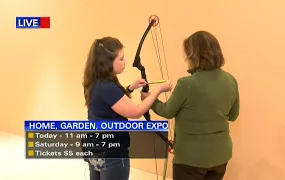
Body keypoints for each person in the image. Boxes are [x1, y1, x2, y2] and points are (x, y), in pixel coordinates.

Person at [141, 31, 240, 180]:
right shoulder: (231, 80)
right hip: (221, 155)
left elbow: (167, 111)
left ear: (193, 55)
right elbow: (233, 115)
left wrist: (150, 100)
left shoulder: (186, 84)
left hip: (190, 159)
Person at [82, 36, 172, 180]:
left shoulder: (95, 82)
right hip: (112, 153)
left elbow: (109, 102)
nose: (125, 62)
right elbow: (136, 112)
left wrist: (130, 88)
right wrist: (159, 90)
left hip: (95, 148)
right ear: (108, 62)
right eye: (121, 59)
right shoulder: (108, 88)